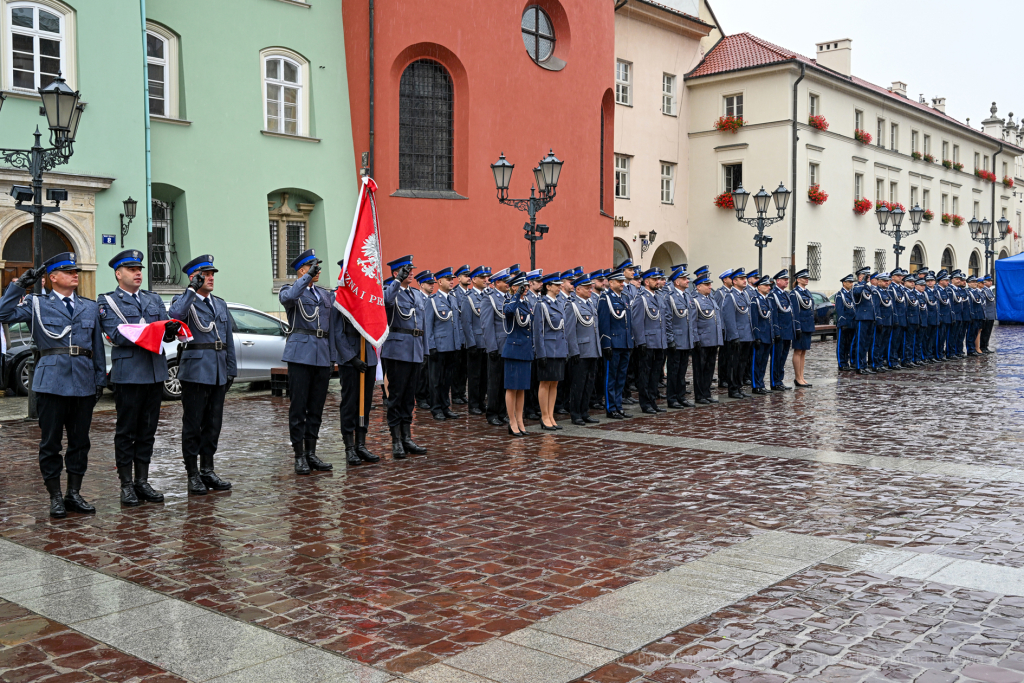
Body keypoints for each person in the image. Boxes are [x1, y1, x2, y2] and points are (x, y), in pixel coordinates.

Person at [0, 253, 106, 518]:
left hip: (83, 382)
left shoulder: (89, 307)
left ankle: (74, 493)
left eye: (76, 271)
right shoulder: (36, 304)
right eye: (68, 271)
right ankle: (55, 496)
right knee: (50, 443)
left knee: (80, 442)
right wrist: (18, 286)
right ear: (52, 278)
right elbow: (3, 313)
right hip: (51, 383)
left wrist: (99, 380)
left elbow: (96, 347)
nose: (75, 275)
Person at [98, 249, 176, 505]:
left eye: (139, 269)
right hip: (130, 373)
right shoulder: (108, 302)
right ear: (119, 274)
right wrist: (151, 331)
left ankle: (142, 481)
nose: (138, 273)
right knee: (126, 431)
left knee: (148, 431)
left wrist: (170, 331)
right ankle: (126, 484)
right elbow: (116, 335)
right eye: (132, 270)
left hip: (154, 372)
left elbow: (163, 334)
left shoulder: (153, 300)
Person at [168, 255, 236, 495]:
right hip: (196, 370)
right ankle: (193, 474)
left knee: (213, 425)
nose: (210, 278)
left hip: (218, 370)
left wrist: (231, 370)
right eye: (205, 275)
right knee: (193, 425)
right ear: (193, 278)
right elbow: (174, 315)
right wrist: (191, 290)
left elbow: (227, 339)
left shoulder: (219, 303)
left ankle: (208, 469)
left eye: (212, 274)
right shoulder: (184, 301)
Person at [278, 249, 334, 475]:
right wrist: (305, 278)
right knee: (299, 407)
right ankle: (299, 455)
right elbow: (289, 298)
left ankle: (311, 452)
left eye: (317, 266)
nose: (317, 270)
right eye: (311, 266)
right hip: (300, 355)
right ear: (302, 270)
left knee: (317, 408)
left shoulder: (324, 294)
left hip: (321, 354)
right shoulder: (290, 291)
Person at [330, 259, 380, 467]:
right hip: (351, 360)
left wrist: (368, 356)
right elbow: (337, 333)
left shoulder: (365, 298)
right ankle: (349, 447)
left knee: (365, 403)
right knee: (350, 404)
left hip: (367, 357)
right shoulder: (338, 299)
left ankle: (361, 443)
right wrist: (352, 358)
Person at [382, 256, 428, 458]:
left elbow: (422, 326)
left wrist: (425, 351)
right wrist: (395, 282)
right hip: (397, 351)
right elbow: (385, 301)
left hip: (415, 350)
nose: (411, 273)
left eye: (411, 270)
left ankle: (407, 437)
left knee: (410, 397)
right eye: (405, 270)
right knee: (397, 396)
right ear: (395, 273)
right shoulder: (390, 291)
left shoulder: (417, 295)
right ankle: (396, 440)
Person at [424, 267, 464, 422]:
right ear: (439, 282)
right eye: (448, 279)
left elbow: (456, 324)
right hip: (439, 347)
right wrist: (431, 346)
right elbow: (428, 326)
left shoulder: (453, 299)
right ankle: (436, 408)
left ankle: (445, 406)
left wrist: (458, 344)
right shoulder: (432, 301)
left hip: (451, 346)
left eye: (452, 279)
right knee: (435, 380)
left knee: (447, 379)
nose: (452, 281)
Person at [565, 272, 601, 425]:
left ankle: (585, 411)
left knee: (589, 384)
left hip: (592, 350)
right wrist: (574, 351)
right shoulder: (572, 305)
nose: (590, 290)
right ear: (578, 289)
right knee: (578, 384)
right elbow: (569, 331)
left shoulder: (590, 304)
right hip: (580, 351)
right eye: (587, 288)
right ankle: (576, 413)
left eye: (590, 288)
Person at [534, 272, 568, 430]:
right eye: (556, 285)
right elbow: (538, 331)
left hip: (559, 349)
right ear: (548, 287)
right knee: (545, 383)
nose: (560, 287)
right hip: (547, 350)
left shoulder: (560, 303)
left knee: (554, 383)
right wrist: (540, 353)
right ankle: (544, 416)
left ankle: (551, 415)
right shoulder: (541, 305)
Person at [631, 269, 667, 414]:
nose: (658, 282)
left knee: (655, 373)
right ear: (647, 282)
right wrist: (641, 342)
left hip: (659, 341)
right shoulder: (641, 298)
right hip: (648, 342)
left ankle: (653, 400)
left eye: (659, 279)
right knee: (645, 374)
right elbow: (637, 322)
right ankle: (645, 403)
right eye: (654, 279)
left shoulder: (658, 297)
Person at [599, 269, 633, 418]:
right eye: (619, 281)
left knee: (621, 377)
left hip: (625, 343)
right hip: (613, 343)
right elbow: (603, 322)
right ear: (610, 283)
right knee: (610, 377)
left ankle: (619, 405)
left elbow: (628, 322)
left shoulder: (625, 298)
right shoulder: (605, 298)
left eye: (622, 281)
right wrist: (606, 344)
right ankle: (610, 407)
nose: (622, 283)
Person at [503, 272, 533, 437]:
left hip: (525, 350)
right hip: (513, 350)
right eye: (523, 286)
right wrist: (515, 295)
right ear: (514, 286)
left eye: (527, 285)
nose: (526, 288)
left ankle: (520, 420)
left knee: (522, 388)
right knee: (512, 387)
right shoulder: (509, 301)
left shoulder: (527, 303)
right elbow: (508, 312)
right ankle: (512, 421)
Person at [482, 269, 511, 426]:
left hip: (509, 346)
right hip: (497, 346)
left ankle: (502, 412)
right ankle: (492, 413)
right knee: (495, 382)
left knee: (506, 382)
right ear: (496, 283)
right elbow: (487, 326)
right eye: (505, 281)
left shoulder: (509, 298)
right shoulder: (489, 299)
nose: (508, 284)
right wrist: (491, 347)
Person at [691, 275, 724, 404]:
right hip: (702, 339)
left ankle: (706, 392)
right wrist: (695, 338)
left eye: (710, 284)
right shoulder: (695, 300)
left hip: (713, 339)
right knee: (700, 368)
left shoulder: (711, 299)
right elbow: (693, 322)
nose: (710, 287)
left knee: (709, 368)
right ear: (699, 287)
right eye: (707, 285)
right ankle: (699, 395)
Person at [664, 268, 694, 409]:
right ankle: (672, 398)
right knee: (673, 371)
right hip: (676, 339)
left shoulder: (687, 296)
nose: (688, 281)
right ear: (677, 281)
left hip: (686, 339)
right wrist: (670, 339)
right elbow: (668, 320)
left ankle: (681, 396)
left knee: (682, 371)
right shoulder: (670, 297)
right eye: (684, 279)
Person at [462, 266, 490, 415]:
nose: (486, 280)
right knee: (474, 375)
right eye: (482, 278)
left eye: (487, 278)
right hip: (476, 342)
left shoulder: (488, 295)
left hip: (488, 342)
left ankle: (481, 402)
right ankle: (473, 404)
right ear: (474, 280)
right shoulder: (469, 298)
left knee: (485, 375)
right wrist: (471, 343)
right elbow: (466, 323)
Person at [721, 268, 752, 399]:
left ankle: (739, 387)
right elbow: (729, 318)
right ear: (734, 281)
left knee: (742, 363)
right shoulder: (730, 296)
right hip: (737, 336)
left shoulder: (744, 294)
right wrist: (734, 336)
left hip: (747, 335)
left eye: (745, 278)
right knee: (734, 364)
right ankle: (733, 389)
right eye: (741, 278)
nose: (744, 281)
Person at [789, 269, 815, 387]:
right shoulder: (795, 293)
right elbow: (795, 312)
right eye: (804, 278)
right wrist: (797, 327)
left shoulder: (807, 292)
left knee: (803, 352)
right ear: (798, 279)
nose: (806, 279)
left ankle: (801, 376)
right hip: (800, 325)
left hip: (807, 325)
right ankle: (797, 377)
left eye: (807, 278)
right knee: (798, 351)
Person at [768, 270, 794, 390]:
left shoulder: (785, 294)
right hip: (780, 331)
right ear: (777, 281)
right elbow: (774, 315)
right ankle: (774, 382)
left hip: (787, 331)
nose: (787, 281)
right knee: (776, 357)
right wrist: (776, 331)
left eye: (787, 279)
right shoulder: (773, 295)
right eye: (784, 279)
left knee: (783, 358)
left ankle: (780, 380)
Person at [450, 264, 472, 405]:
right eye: (465, 276)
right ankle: (456, 394)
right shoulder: (454, 293)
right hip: (459, 335)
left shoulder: (470, 293)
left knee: (465, 367)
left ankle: (462, 392)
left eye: (469, 275)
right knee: (456, 367)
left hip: (468, 336)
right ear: (459, 278)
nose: (468, 278)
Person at [414, 271, 435, 410]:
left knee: (430, 372)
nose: (432, 286)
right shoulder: (417, 298)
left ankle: (429, 396)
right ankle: (421, 397)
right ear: (421, 285)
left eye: (432, 283)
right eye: (429, 283)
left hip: (431, 340)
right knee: (421, 372)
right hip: (420, 339)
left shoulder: (432, 299)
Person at [750, 275, 774, 394]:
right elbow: (754, 320)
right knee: (757, 361)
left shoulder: (767, 300)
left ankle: (761, 384)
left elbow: (770, 320)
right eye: (766, 285)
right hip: (760, 335)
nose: (769, 287)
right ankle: (756, 385)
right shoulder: (755, 300)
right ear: (759, 287)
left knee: (764, 362)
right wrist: (756, 336)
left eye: (769, 285)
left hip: (768, 335)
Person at [852, 267, 875, 373]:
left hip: (870, 318)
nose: (868, 278)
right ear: (860, 276)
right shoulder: (857, 286)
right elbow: (856, 293)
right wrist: (863, 282)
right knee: (860, 343)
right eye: (866, 276)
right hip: (862, 318)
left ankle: (864, 365)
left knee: (866, 343)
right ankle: (859, 366)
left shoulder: (868, 288)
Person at [714, 270, 733, 389]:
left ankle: (730, 377)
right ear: (725, 280)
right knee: (724, 355)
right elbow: (718, 311)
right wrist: (721, 327)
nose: (732, 279)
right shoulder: (720, 293)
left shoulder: (733, 293)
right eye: (730, 278)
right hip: (724, 329)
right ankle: (723, 378)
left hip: (732, 329)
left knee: (732, 355)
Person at [835, 274, 856, 370]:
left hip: (852, 323)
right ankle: (841, 363)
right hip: (844, 323)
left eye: (852, 282)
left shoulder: (851, 294)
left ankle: (847, 362)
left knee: (849, 344)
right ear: (844, 283)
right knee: (841, 344)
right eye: (850, 282)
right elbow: (839, 310)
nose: (851, 284)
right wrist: (842, 323)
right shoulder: (840, 294)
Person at [981, 274, 996, 353]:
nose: (990, 282)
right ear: (985, 282)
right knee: (985, 332)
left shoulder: (989, 290)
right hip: (987, 315)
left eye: (991, 281)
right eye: (989, 281)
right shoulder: (984, 290)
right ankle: (983, 347)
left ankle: (986, 346)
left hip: (991, 315)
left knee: (988, 332)